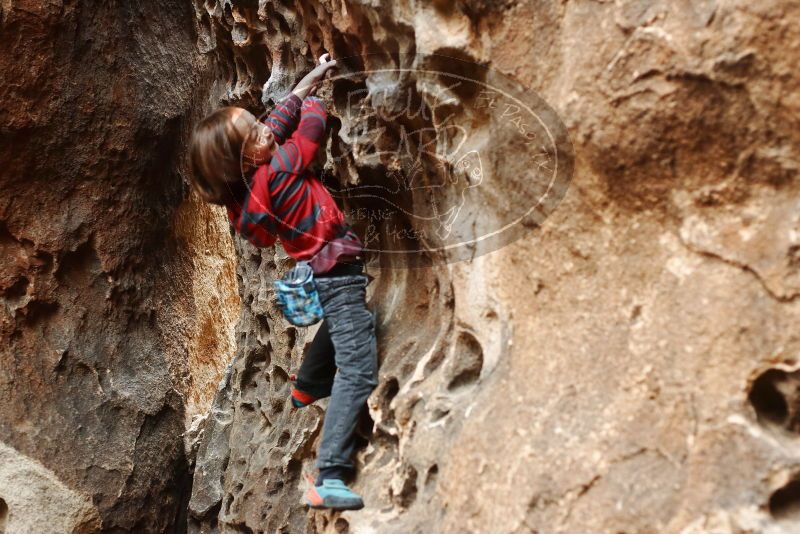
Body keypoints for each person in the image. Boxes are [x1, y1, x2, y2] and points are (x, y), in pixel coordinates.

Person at [189, 53, 377, 511]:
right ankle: (329, 475)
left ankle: (308, 382)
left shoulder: (250, 190)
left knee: (347, 318)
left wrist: (305, 81)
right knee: (358, 367)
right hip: (336, 271)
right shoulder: (284, 172)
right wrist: (316, 99)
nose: (266, 128)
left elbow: (277, 120)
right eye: (256, 132)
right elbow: (311, 131)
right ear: (249, 155)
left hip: (324, 273)